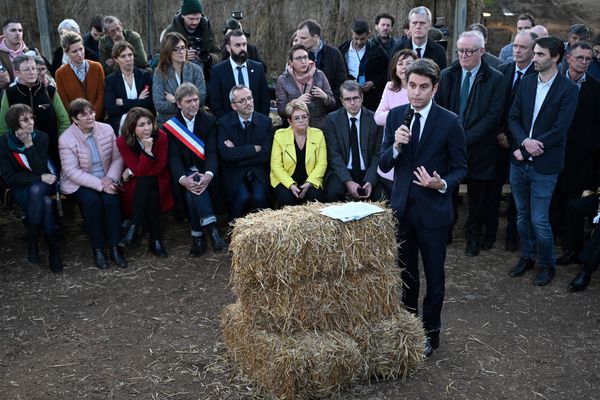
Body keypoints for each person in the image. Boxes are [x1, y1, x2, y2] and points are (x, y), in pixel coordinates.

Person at [379, 59, 467, 358]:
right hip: (402, 210)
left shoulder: (449, 121)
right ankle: (409, 331)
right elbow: (383, 163)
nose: (416, 93)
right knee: (406, 275)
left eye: (423, 87)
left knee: (434, 278)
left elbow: (461, 169)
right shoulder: (395, 118)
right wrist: (394, 146)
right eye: (411, 86)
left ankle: (431, 333)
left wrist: (440, 184)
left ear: (435, 88)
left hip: (434, 214)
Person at [507, 36, 578, 286]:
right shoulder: (526, 84)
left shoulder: (568, 90)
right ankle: (527, 256)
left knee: (539, 219)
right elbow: (513, 117)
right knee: (522, 216)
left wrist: (526, 150)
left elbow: (560, 129)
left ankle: (547, 264)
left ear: (556, 57)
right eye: (534, 53)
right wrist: (524, 143)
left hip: (545, 166)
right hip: (519, 163)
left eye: (539, 54)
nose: (533, 58)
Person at [435, 30, 505, 256]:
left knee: (477, 198)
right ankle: (445, 230)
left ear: (482, 52)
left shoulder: (495, 78)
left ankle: (473, 236)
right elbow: (440, 108)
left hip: (481, 149)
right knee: (448, 192)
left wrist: (464, 139)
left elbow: (493, 116)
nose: (463, 56)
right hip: (450, 148)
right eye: (460, 51)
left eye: (469, 51)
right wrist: (451, 139)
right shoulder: (448, 74)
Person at [59, 98, 126, 269]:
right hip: (79, 181)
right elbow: (71, 171)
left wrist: (110, 179)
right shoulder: (66, 139)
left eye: (92, 112)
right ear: (75, 119)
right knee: (91, 202)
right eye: (84, 114)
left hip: (106, 177)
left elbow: (117, 158)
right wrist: (100, 184)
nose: (90, 117)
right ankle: (97, 249)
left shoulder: (107, 129)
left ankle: (115, 246)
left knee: (110, 201)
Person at [552, 41, 600, 266]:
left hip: (580, 159)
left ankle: (572, 249)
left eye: (588, 59)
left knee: (572, 205)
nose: (584, 63)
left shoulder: (596, 88)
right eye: (580, 58)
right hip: (553, 154)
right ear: (568, 58)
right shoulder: (555, 84)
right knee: (553, 202)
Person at [165, 83, 227, 257]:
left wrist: (208, 174)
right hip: (185, 173)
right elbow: (173, 157)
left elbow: (212, 152)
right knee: (192, 189)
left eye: (196, 100)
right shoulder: (171, 127)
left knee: (193, 193)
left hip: (205, 172)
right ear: (178, 104)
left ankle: (198, 238)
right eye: (188, 101)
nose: (193, 104)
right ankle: (213, 231)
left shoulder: (209, 121)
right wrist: (182, 178)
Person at [0, 104, 62, 273]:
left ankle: (33, 244)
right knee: (46, 204)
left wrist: (29, 144)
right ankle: (53, 251)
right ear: (15, 124)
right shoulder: (4, 143)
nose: (30, 122)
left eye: (31, 118)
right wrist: (38, 178)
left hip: (42, 184)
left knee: (38, 191)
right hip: (20, 187)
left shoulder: (41, 137)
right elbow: (9, 178)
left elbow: (41, 167)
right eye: (24, 120)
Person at [493, 30, 538, 252]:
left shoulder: (537, 77)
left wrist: (514, 139)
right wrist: (500, 132)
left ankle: (513, 234)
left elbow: (528, 115)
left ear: (533, 51)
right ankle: (490, 232)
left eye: (523, 47)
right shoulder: (503, 70)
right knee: (494, 186)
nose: (517, 51)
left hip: (521, 142)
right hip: (498, 139)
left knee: (517, 192)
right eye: (515, 46)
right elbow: (497, 106)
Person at [116, 107, 173, 257]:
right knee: (150, 194)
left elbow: (159, 167)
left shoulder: (161, 136)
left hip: (159, 178)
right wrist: (147, 151)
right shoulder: (122, 141)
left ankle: (134, 227)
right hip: (140, 183)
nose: (147, 128)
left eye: (149, 123)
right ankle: (155, 240)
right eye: (141, 125)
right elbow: (138, 170)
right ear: (132, 127)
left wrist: (133, 170)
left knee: (145, 182)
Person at [0, 55, 70, 170]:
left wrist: (61, 143)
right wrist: (13, 147)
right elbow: (3, 127)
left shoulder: (49, 91)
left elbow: (64, 120)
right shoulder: (10, 94)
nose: (32, 72)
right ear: (17, 73)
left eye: (34, 68)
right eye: (27, 69)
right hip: (22, 151)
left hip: (52, 149)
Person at [217, 85, 273, 219]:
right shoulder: (224, 123)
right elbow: (225, 154)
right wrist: (253, 149)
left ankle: (268, 228)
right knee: (242, 196)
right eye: (242, 100)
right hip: (235, 171)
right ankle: (232, 230)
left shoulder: (265, 122)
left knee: (260, 197)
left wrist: (237, 152)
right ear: (234, 106)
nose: (248, 103)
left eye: (249, 98)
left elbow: (265, 154)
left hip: (257, 169)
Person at [323, 80, 383, 202]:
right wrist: (348, 182)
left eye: (355, 98)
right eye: (347, 99)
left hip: (368, 170)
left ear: (362, 98)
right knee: (333, 193)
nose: (352, 103)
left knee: (382, 197)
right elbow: (334, 155)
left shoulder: (375, 119)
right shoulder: (332, 119)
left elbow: (378, 154)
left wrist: (370, 181)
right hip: (343, 170)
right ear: (341, 101)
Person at [374, 49, 416, 197]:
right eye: (400, 63)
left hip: (414, 146)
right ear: (395, 68)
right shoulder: (390, 87)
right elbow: (378, 117)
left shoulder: (422, 90)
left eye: (409, 63)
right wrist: (397, 116)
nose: (404, 67)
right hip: (392, 143)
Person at [270, 99, 327, 206]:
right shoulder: (279, 135)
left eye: (304, 117)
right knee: (287, 200)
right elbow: (276, 166)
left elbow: (322, 163)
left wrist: (309, 183)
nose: (301, 120)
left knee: (315, 199)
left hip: (311, 179)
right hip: (285, 179)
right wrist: (291, 185)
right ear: (290, 121)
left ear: (308, 118)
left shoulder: (318, 134)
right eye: (296, 118)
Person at [208, 29, 270, 119]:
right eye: (238, 45)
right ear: (228, 48)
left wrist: (260, 122)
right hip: (229, 126)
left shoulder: (258, 68)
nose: (242, 48)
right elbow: (216, 104)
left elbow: (265, 101)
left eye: (244, 44)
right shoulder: (218, 71)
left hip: (256, 124)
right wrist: (227, 124)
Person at [275, 44, 336, 130]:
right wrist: (296, 102)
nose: (303, 61)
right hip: (295, 129)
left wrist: (325, 97)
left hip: (319, 128)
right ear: (291, 62)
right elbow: (281, 111)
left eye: (305, 57)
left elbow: (333, 104)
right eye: (298, 58)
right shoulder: (283, 80)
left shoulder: (319, 75)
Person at [152, 32, 206, 125]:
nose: (181, 52)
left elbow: (202, 97)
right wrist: (189, 103)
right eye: (176, 49)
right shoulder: (160, 73)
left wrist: (175, 100)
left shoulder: (195, 69)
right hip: (169, 122)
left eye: (183, 48)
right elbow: (159, 104)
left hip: (194, 120)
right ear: (168, 51)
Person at [338, 19, 389, 111]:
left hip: (371, 98)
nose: (359, 42)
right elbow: (339, 72)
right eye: (356, 38)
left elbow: (386, 72)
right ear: (352, 34)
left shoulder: (378, 51)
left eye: (363, 39)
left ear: (368, 34)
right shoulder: (342, 50)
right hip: (349, 95)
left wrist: (373, 83)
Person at [163, 0, 221, 79]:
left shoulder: (207, 30)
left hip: (205, 76)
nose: (194, 22)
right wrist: (183, 55)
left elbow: (218, 55)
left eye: (198, 19)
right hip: (178, 77)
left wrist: (208, 57)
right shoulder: (172, 31)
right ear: (183, 15)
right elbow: (163, 56)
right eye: (191, 19)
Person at [104, 41, 154, 134]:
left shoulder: (145, 75)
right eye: (123, 56)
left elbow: (149, 103)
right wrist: (138, 101)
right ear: (116, 59)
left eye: (130, 55)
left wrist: (123, 102)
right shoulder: (111, 80)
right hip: (121, 124)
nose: (128, 59)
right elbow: (111, 109)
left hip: (144, 123)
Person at [55, 32, 105, 121]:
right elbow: (65, 101)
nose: (79, 53)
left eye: (81, 49)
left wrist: (93, 115)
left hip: (98, 118)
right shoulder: (60, 73)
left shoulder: (97, 67)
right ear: (66, 53)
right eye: (74, 51)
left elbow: (101, 94)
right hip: (77, 121)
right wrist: (79, 118)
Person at [296, 19, 347, 100]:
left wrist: (331, 100)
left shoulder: (334, 53)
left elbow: (341, 82)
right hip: (304, 106)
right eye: (298, 37)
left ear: (315, 37)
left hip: (330, 105)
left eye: (303, 38)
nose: (299, 41)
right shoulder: (296, 55)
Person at [0, 19, 28, 89]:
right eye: (13, 30)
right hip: (6, 95)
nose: (18, 33)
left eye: (20, 30)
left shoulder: (31, 52)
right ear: (4, 33)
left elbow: (46, 74)